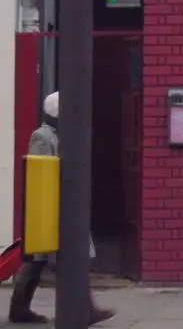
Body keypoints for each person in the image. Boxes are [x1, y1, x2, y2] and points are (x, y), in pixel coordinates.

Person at [8, 92, 116, 326]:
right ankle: (22, 309)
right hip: (51, 206)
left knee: (62, 258)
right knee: (39, 260)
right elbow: (41, 172)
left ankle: (82, 308)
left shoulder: (62, 135)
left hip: (63, 204)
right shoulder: (43, 136)